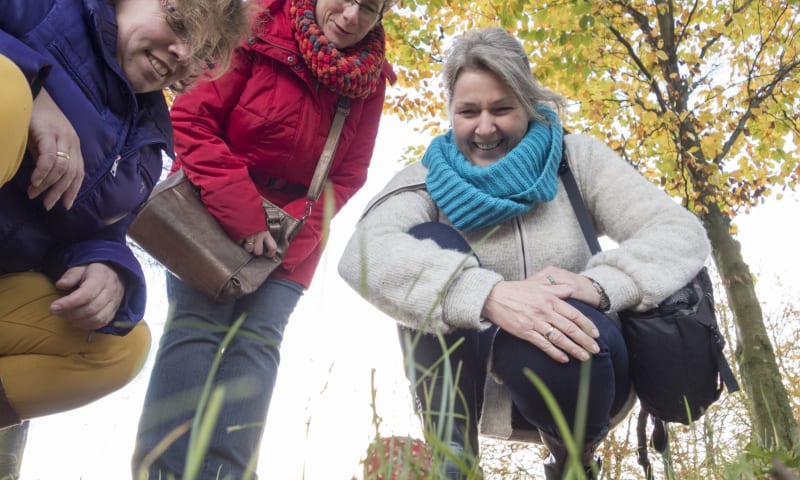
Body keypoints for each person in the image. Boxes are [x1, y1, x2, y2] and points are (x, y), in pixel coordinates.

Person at [338, 27, 711, 479]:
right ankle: (453, 457)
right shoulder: (427, 177)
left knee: (561, 327)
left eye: (502, 109)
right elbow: (363, 251)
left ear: (528, 105)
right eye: (468, 112)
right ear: (450, 113)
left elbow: (678, 230)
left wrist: (597, 284)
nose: (485, 127)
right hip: (480, 377)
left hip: (585, 366)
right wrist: (489, 296)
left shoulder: (576, 159)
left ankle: (573, 461)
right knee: (429, 241)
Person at [131, 0, 398, 477]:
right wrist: (245, 217)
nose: (353, 15)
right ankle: (162, 468)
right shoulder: (255, 29)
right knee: (196, 329)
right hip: (210, 209)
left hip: (297, 232)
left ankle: (227, 472)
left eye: (371, 8)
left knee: (258, 342)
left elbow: (349, 175)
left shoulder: (369, 79)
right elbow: (192, 121)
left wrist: (293, 239)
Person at [0, 0, 248, 477]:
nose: (182, 52)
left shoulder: (148, 145)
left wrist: (109, 270)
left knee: (120, 344)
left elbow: (101, 232)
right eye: (179, 23)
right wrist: (32, 86)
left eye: (203, 48)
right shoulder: (45, 9)